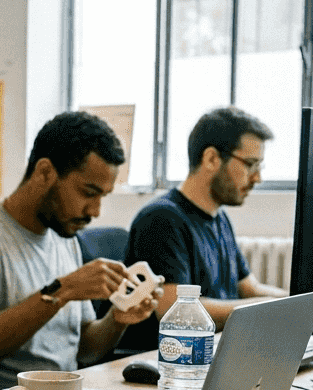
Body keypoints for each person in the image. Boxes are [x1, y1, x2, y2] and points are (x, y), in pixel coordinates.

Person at [0, 111, 160, 390]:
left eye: (103, 196)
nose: (95, 211)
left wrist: (118, 319)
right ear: (44, 172)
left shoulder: (62, 236)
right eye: (88, 192)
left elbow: (81, 350)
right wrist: (60, 292)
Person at [122, 106, 286, 350]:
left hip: (207, 353)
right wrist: (268, 310)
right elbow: (174, 309)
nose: (257, 178)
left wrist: (301, 303)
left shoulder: (219, 217)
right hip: (168, 363)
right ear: (211, 159)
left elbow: (249, 288)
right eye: (251, 165)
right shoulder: (162, 219)